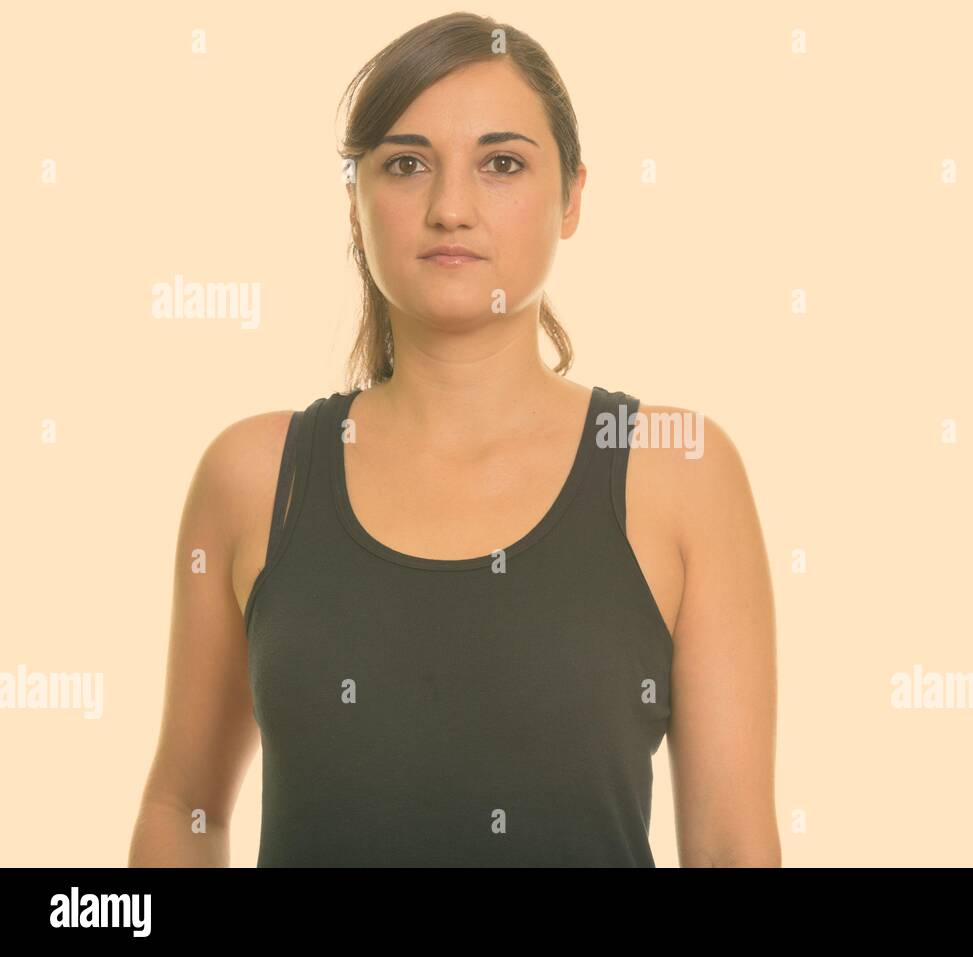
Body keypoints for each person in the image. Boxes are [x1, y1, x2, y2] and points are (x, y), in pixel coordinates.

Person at [128, 12, 778, 867]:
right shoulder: (253, 476)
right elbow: (184, 804)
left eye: (502, 163)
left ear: (574, 196)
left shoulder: (679, 470)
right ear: (356, 203)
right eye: (406, 164)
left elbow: (733, 842)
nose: (451, 208)